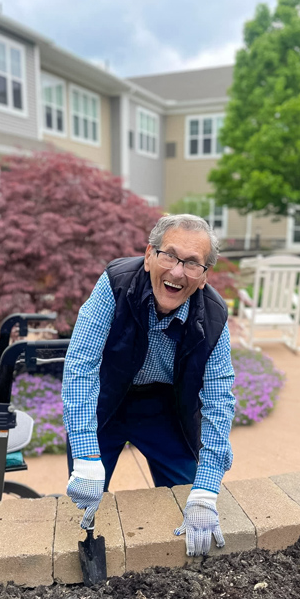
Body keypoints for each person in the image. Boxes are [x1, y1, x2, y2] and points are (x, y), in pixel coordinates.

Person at [61, 213, 236, 556]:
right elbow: (80, 365)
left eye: (192, 263)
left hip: (165, 409)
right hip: (108, 401)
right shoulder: (115, 283)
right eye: (169, 255)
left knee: (190, 493)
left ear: (202, 277)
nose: (176, 271)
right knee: (86, 500)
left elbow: (220, 398)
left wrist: (207, 488)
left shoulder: (214, 316)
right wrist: (84, 452)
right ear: (148, 256)